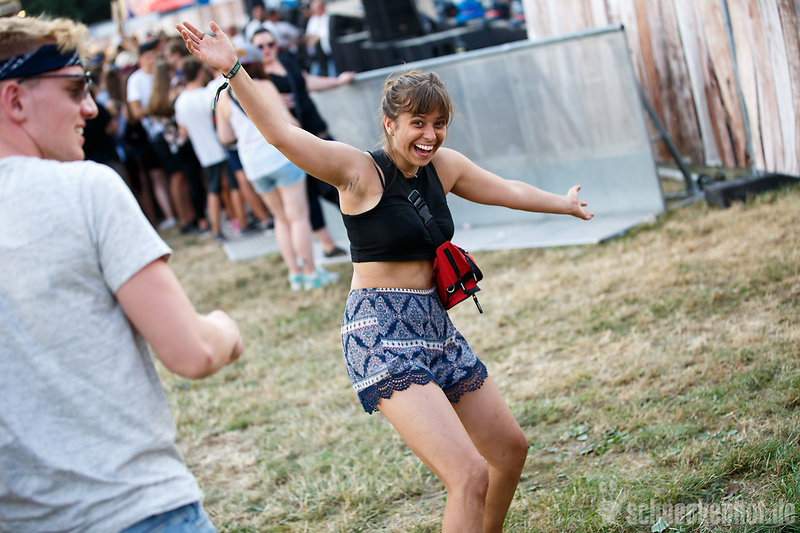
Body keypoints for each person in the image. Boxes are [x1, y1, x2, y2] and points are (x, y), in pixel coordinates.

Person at [177, 21, 593, 532]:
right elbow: (283, 135)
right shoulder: (357, 172)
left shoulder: (445, 167)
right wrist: (235, 70)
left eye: (439, 123)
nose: (430, 135)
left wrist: (563, 204)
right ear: (390, 123)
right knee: (467, 476)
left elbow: (506, 189)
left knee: (509, 450)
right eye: (418, 122)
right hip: (379, 331)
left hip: (435, 326)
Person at [0, 15, 244, 533]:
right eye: (74, 89)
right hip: (135, 509)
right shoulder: (86, 189)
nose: (91, 107)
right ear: (15, 100)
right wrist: (226, 329)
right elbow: (194, 353)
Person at [213, 44, 335, 290]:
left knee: (280, 219)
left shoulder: (224, 96)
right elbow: (288, 122)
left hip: (253, 165)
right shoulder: (265, 86)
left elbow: (225, 137)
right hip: (280, 157)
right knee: (298, 217)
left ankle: (295, 275)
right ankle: (311, 273)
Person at [252, 27, 352, 258]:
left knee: (344, 180)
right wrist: (275, 104)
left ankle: (363, 228)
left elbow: (307, 82)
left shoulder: (288, 62)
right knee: (311, 193)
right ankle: (327, 244)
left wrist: (338, 81)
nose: (266, 49)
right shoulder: (259, 78)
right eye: (260, 46)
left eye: (270, 44)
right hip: (296, 141)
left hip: (318, 130)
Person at [175, 57, 249, 241]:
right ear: (199, 72)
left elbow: (182, 130)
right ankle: (242, 224)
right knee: (233, 186)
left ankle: (216, 230)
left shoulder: (180, 102)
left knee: (213, 190)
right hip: (220, 147)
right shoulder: (208, 94)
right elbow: (218, 113)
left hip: (203, 152)